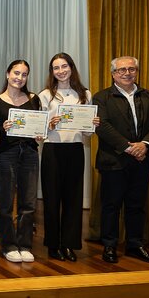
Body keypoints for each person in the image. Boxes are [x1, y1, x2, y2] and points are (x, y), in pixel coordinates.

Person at [94, 56, 149, 265]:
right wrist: (130, 148)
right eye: (122, 70)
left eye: (131, 69)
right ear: (113, 74)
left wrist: (145, 145)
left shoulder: (148, 95)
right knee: (111, 205)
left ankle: (135, 245)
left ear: (136, 71)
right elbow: (102, 126)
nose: (127, 73)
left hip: (142, 159)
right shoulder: (102, 97)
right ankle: (109, 245)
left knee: (136, 205)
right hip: (114, 161)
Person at [38, 53, 98, 262]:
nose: (61, 71)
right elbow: (39, 131)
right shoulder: (45, 95)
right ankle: (53, 245)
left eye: (64, 66)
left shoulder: (85, 94)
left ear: (71, 68)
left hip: (75, 150)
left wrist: (92, 125)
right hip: (52, 150)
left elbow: (87, 133)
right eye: (56, 68)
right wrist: (49, 124)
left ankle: (69, 245)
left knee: (73, 199)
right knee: (51, 199)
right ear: (52, 72)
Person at [0, 60, 41, 263]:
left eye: (24, 74)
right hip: (5, 154)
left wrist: (40, 132)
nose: (19, 78)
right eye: (16, 73)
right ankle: (9, 245)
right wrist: (2, 129)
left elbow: (38, 126)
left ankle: (25, 245)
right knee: (5, 203)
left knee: (28, 203)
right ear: (7, 74)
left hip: (29, 153)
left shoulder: (34, 99)